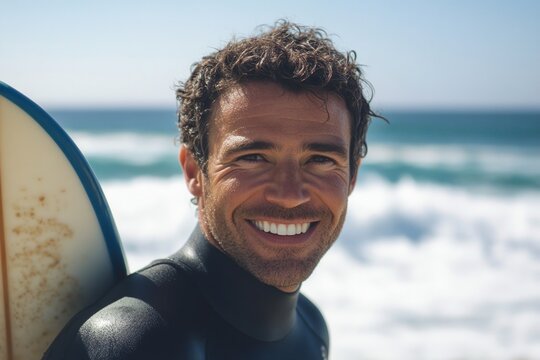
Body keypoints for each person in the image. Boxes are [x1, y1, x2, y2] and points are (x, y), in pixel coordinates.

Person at [43, 20, 382, 359]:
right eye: (253, 158)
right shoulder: (137, 340)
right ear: (194, 171)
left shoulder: (311, 325)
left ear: (352, 176)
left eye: (320, 160)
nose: (290, 194)